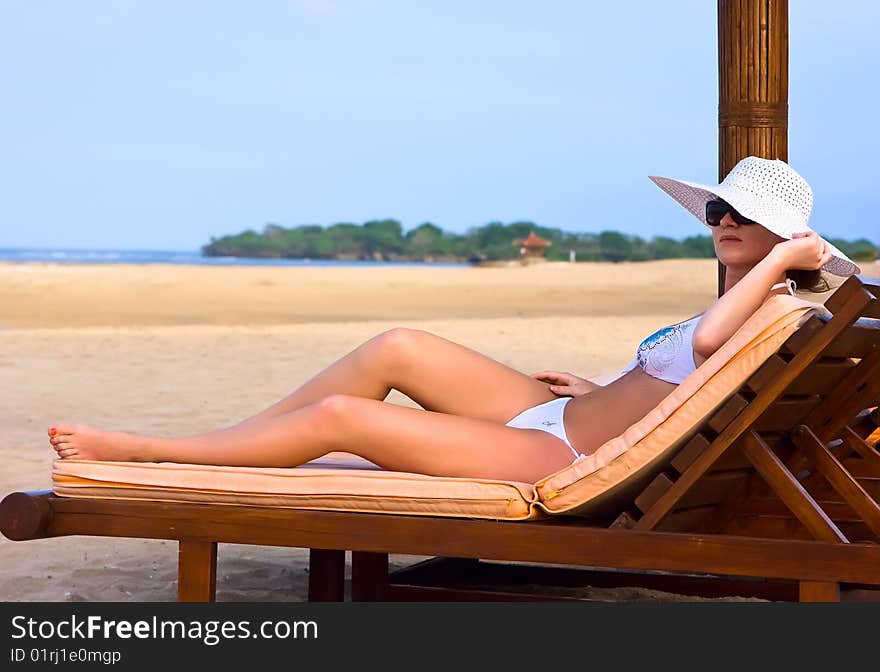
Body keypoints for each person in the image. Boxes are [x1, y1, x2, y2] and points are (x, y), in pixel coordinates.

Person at [47, 157, 860, 484]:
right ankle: (231, 442)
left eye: (742, 217)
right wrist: (604, 384)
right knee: (397, 345)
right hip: (563, 413)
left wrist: (787, 266)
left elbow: (712, 345)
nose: (723, 222)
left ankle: (155, 451)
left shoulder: (778, 307)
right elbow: (679, 380)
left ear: (786, 241)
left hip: (559, 453)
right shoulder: (748, 298)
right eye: (718, 209)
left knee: (341, 419)